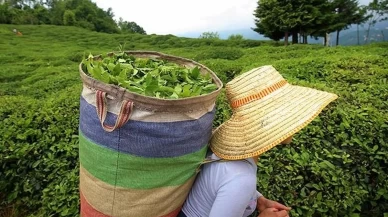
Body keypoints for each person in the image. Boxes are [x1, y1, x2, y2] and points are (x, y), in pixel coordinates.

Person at [179, 65, 338, 217]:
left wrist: (258, 200)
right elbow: (234, 183)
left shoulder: (238, 155)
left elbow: (221, 186)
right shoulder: (241, 179)